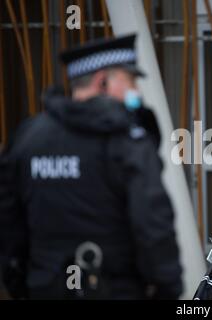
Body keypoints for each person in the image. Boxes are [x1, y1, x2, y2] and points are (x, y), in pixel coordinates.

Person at [0, 34, 182, 299]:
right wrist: (168, 288)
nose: (136, 92)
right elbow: (153, 225)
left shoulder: (28, 137)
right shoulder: (127, 141)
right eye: (130, 81)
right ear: (103, 82)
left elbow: (8, 223)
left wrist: (21, 284)